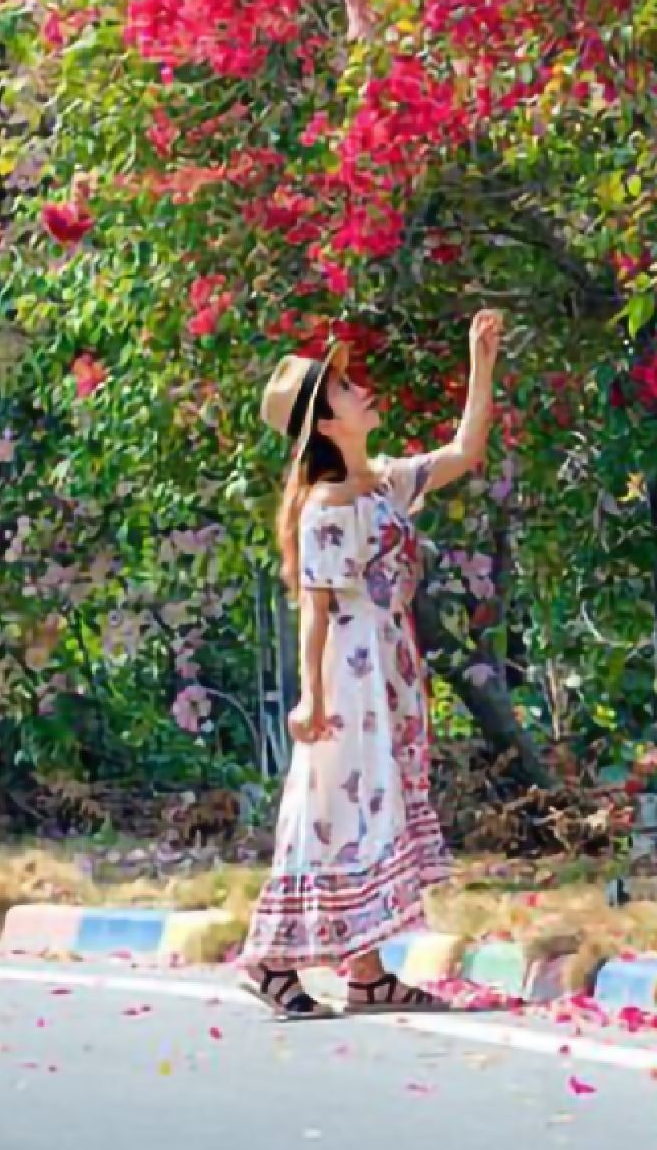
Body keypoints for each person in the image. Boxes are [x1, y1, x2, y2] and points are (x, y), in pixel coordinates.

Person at [235, 306, 507, 1018]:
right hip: (351, 676)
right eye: (344, 390)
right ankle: (268, 957)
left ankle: (367, 973)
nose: (361, 392)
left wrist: (481, 362)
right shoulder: (329, 505)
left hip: (387, 667)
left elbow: (464, 451)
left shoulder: (383, 483)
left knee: (360, 807)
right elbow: (315, 607)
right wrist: (309, 696)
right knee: (333, 805)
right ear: (326, 424)